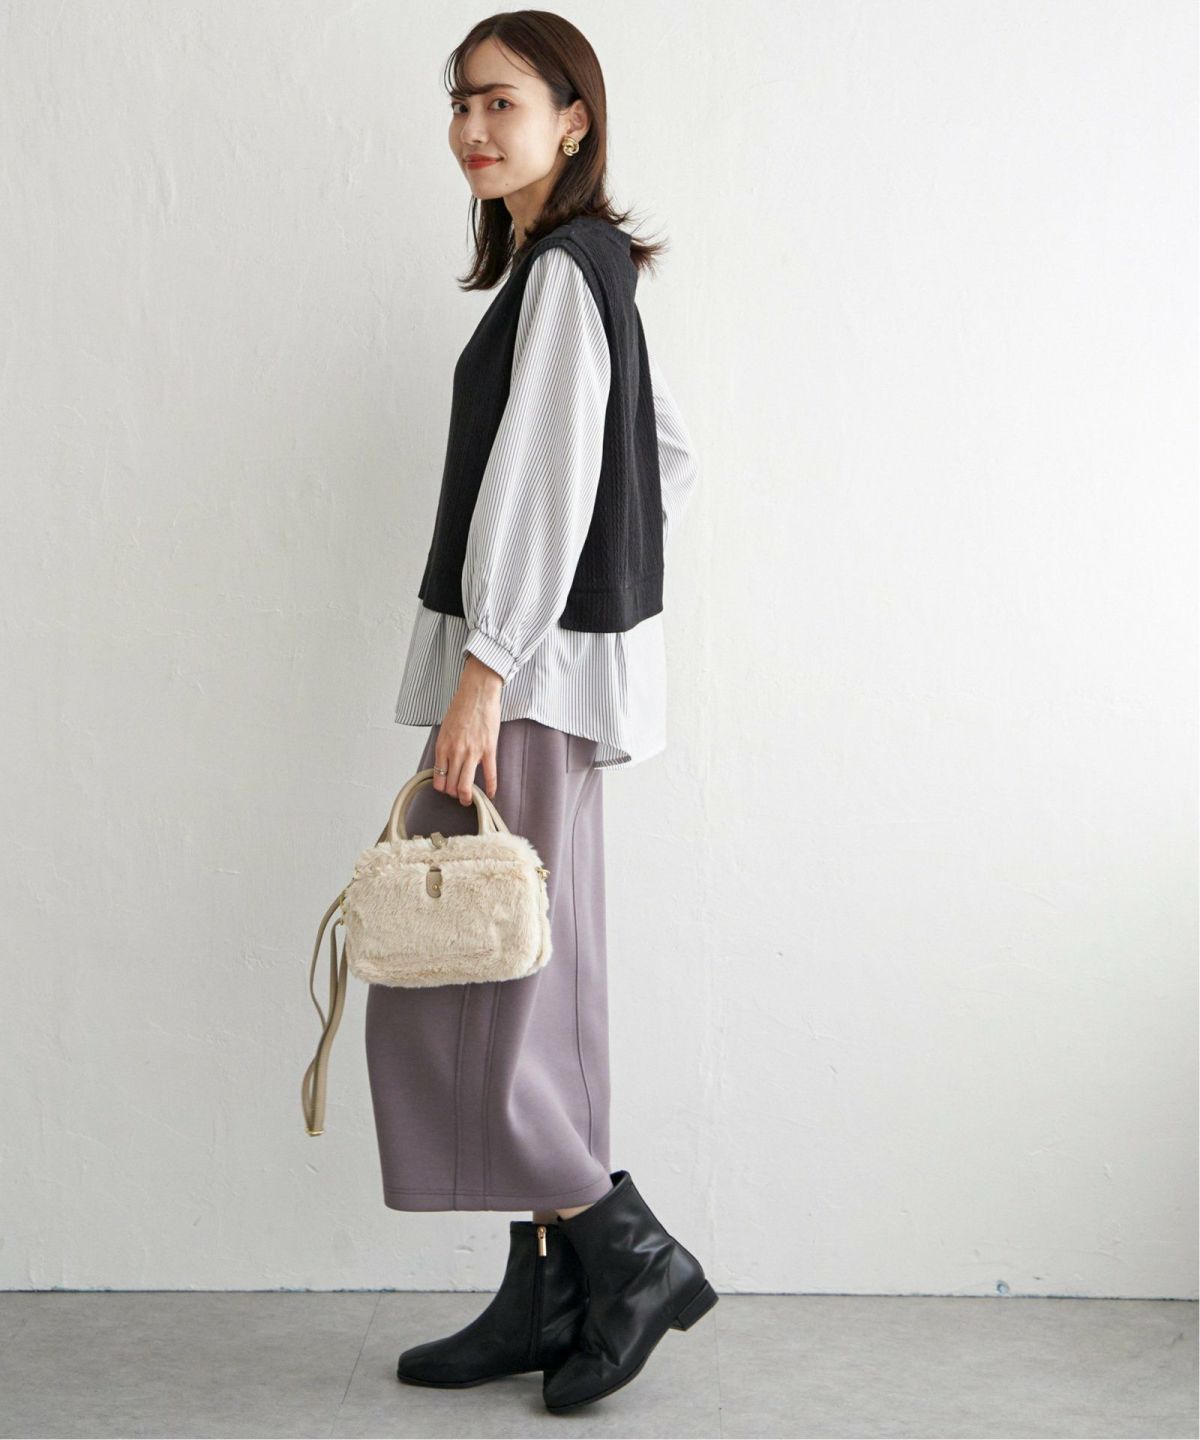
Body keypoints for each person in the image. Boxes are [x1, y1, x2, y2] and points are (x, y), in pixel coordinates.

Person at [364, 12, 715, 1414]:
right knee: (528, 988)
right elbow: (659, 451)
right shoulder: (570, 270)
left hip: (523, 682)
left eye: (501, 102)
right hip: (553, 675)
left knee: (482, 994)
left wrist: (495, 661)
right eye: (460, 103)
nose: (472, 127)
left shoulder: (566, 271)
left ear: (575, 119)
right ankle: (549, 1290)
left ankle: (627, 1254)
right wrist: (585, 603)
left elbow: (550, 474)